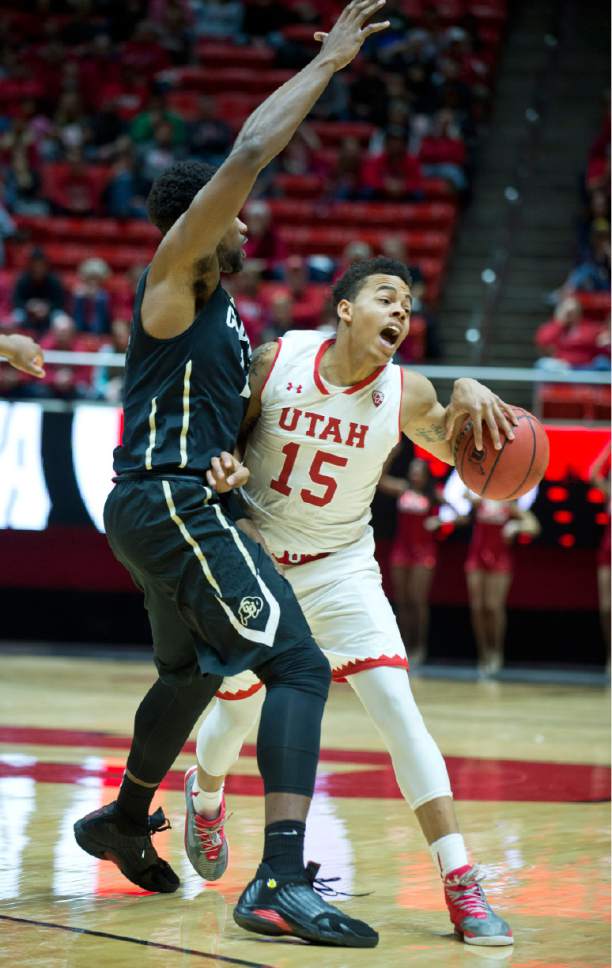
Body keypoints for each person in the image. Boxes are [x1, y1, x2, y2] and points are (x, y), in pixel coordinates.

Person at [72, 2, 392, 949]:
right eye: (233, 214)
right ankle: (279, 882)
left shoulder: (221, 314)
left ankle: (125, 819)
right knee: (295, 661)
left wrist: (225, 452)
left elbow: (213, 416)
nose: (248, 224)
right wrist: (328, 63)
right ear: (200, 219)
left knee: (187, 675)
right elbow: (250, 146)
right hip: (165, 501)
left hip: (165, 496)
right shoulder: (176, 270)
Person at [190, 255, 517, 947]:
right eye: (386, 297)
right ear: (344, 308)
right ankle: (207, 796)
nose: (401, 311)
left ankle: (460, 885)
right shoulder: (279, 359)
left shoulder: (409, 392)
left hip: (342, 566)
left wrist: (468, 390)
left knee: (400, 711)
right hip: (262, 561)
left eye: (409, 304)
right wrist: (224, 468)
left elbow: (468, 451)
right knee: (234, 713)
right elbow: (222, 439)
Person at [380, 456, 448, 665]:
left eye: (419, 470)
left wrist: (440, 520)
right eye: (413, 469)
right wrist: (391, 455)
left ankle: (419, 646)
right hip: (402, 549)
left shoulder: (433, 494)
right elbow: (381, 480)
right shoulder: (403, 488)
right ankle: (404, 645)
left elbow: (459, 513)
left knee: (417, 601)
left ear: (426, 474)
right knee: (402, 601)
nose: (415, 473)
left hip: (424, 552)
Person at [464, 495, 540, 675]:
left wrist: (516, 526)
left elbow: (534, 526)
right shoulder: (479, 500)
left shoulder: (509, 505)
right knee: (477, 608)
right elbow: (464, 500)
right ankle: (483, 653)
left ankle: (496, 651)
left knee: (493, 607)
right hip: (477, 556)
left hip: (500, 559)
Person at [589, 441, 611, 672]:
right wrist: (609, 448)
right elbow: (593, 474)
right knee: (607, 606)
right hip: (608, 543)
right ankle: (610, 653)